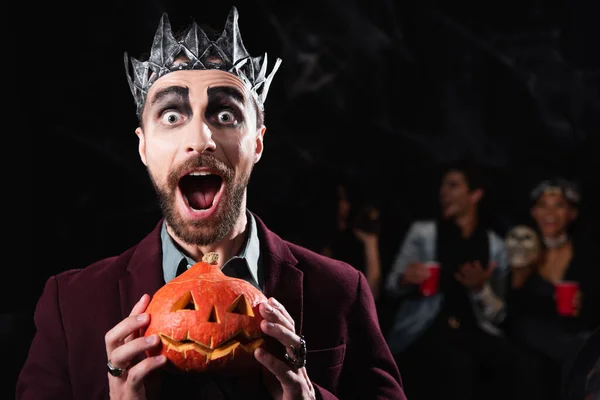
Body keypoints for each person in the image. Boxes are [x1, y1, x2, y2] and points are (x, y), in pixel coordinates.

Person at [16, 7, 405, 400]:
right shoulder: (72, 303)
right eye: (171, 115)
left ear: (256, 143)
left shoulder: (340, 290)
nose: (200, 138)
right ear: (144, 146)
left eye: (224, 114)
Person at [383, 159, 540, 400]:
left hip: (472, 329)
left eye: (453, 186)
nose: (444, 192)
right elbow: (392, 285)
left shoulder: (494, 245)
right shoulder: (423, 233)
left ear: (475, 195)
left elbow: (499, 314)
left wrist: (480, 290)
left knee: (521, 364)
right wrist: (406, 279)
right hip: (425, 327)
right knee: (457, 367)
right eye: (443, 186)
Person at [506, 178, 600, 397]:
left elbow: (593, 305)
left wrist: (582, 302)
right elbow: (507, 308)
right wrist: (521, 273)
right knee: (577, 352)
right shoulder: (521, 246)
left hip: (573, 330)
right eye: (543, 205)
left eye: (559, 205)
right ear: (533, 212)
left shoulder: (587, 254)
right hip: (530, 332)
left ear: (571, 213)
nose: (550, 213)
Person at [320, 178, 383, 301]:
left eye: (347, 199)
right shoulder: (322, 239)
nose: (345, 205)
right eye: (340, 199)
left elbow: (371, 293)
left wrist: (370, 244)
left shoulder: (355, 240)